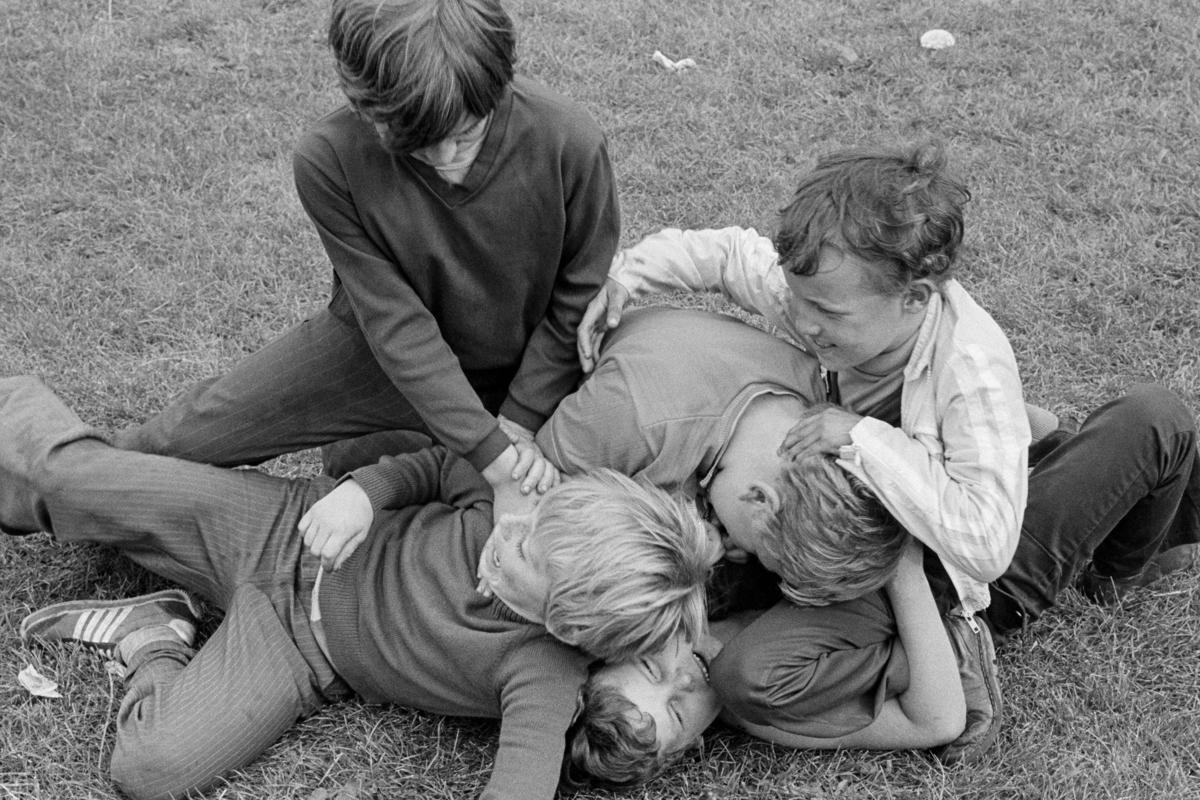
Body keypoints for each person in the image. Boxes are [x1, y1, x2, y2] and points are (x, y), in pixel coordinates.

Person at [0, 377, 716, 800]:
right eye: (528, 525)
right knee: (72, 481)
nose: (512, 530)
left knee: (148, 769)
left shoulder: (545, 674)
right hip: (282, 525)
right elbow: (437, 467)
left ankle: (155, 636)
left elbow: (521, 784)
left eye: (524, 555)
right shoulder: (528, 498)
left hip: (296, 650)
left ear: (565, 624)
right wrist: (366, 494)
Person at [548, 304, 1200, 763]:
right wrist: (907, 564)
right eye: (672, 712)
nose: (680, 679)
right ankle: (1119, 571)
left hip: (897, 505)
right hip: (957, 582)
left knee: (1014, 426)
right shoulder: (760, 699)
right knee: (1155, 419)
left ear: (619, 648)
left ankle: (1035, 454)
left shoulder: (684, 587)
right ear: (687, 747)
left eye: (648, 673)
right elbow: (937, 718)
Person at [113, 0, 620, 517]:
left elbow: (579, 292)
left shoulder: (570, 139)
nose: (447, 161)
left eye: (466, 135)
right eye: (417, 146)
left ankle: (385, 455)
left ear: (500, 83)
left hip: (528, 368)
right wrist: (494, 455)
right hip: (377, 354)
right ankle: (41, 463)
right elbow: (394, 322)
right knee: (180, 445)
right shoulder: (328, 158)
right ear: (362, 102)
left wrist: (516, 422)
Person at [576, 142, 1028, 624]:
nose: (805, 322)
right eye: (797, 299)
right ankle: (1031, 439)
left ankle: (1061, 450)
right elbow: (725, 257)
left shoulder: (970, 370)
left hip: (910, 522)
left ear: (914, 297)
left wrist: (860, 436)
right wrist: (627, 277)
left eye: (826, 312)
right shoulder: (826, 293)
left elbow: (987, 544)